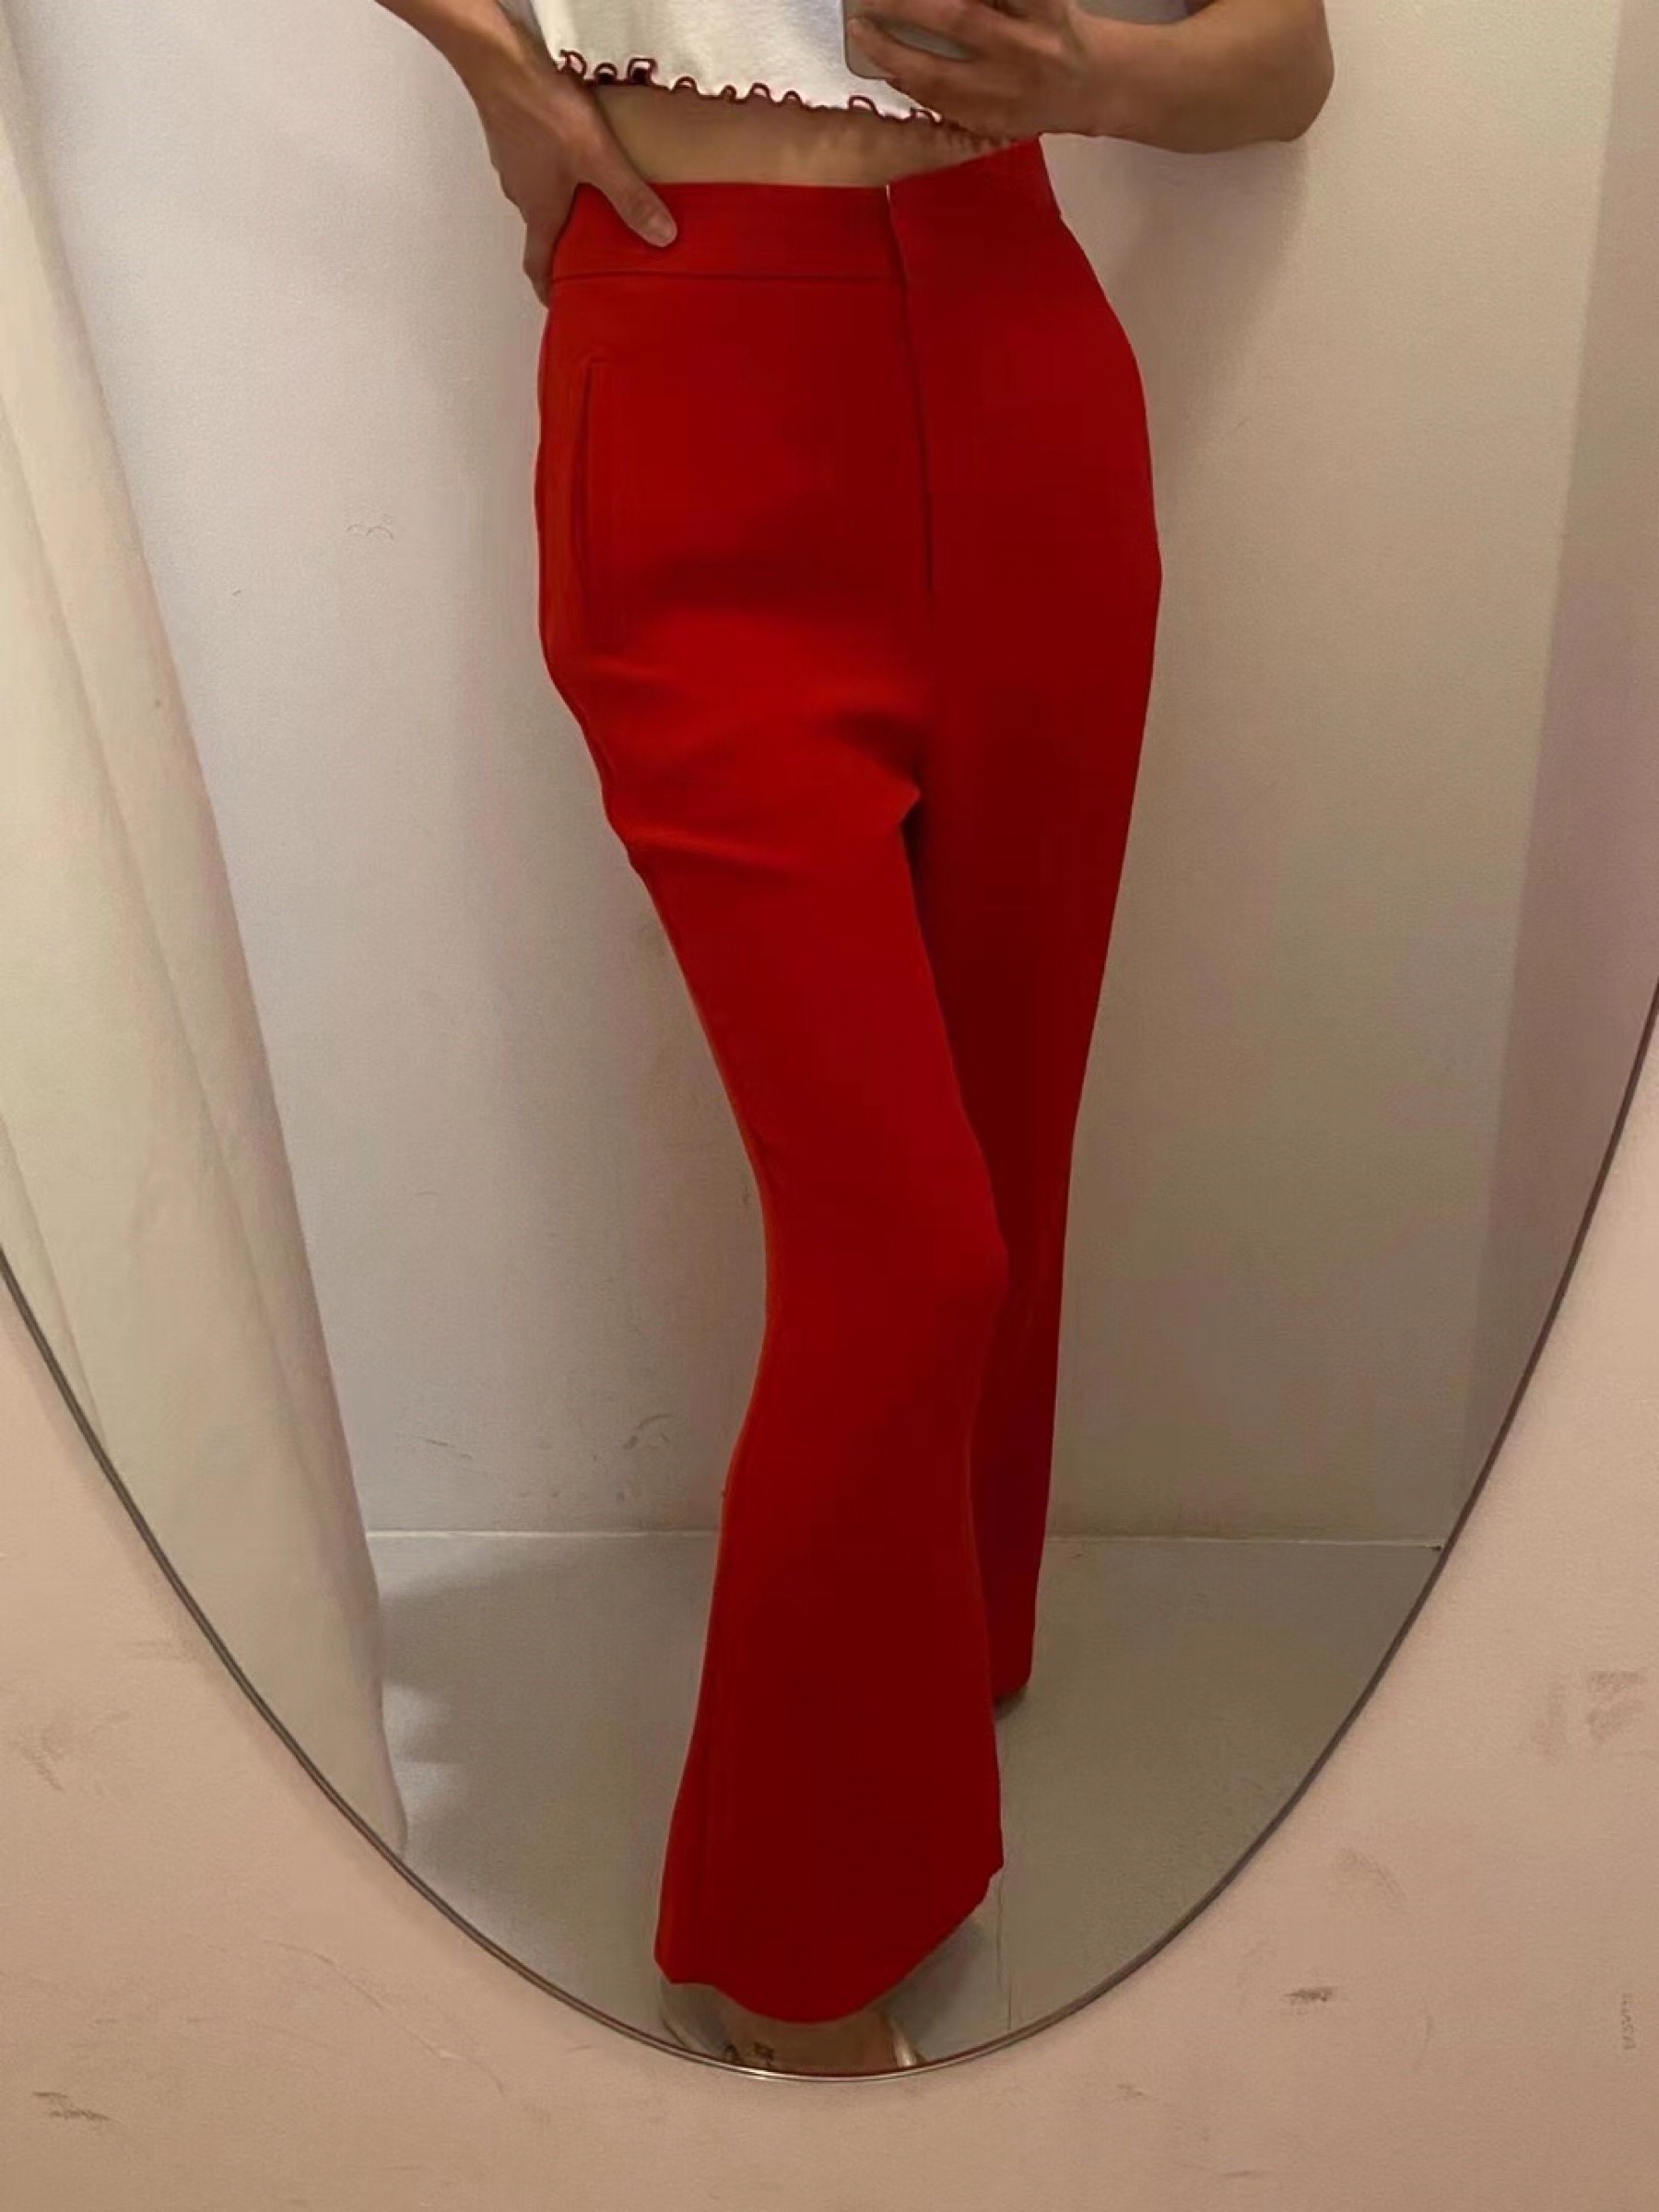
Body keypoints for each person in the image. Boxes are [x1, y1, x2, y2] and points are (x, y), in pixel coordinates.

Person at [373, 0, 1334, 2077]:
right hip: (693, 375)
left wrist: (1087, 80)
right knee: (906, 1244)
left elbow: (1285, 64)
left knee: (1005, 1120)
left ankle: (944, 1653)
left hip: (1021, 358)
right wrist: (492, 65)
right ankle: (782, 1951)